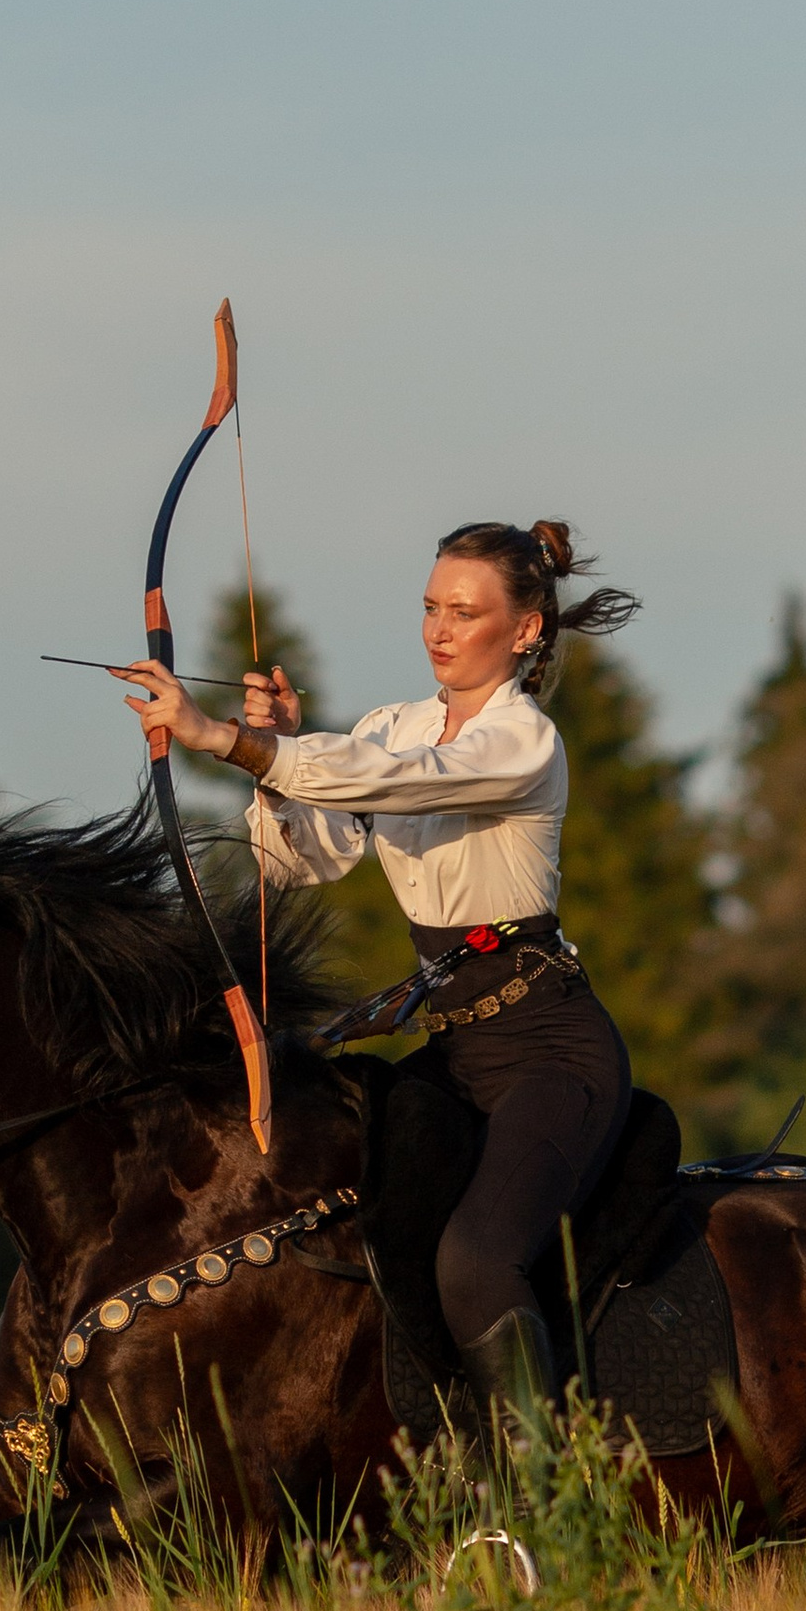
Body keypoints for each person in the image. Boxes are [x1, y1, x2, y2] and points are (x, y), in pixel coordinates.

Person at [120, 519, 639, 1424]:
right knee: (365, 1226)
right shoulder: (393, 727)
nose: (439, 629)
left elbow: (402, 781)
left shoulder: (522, 742)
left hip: (552, 1052)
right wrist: (274, 765)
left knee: (477, 1261)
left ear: (525, 630)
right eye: (431, 607)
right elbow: (301, 860)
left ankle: (545, 1480)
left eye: (465, 612)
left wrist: (225, 740)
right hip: (457, 1049)